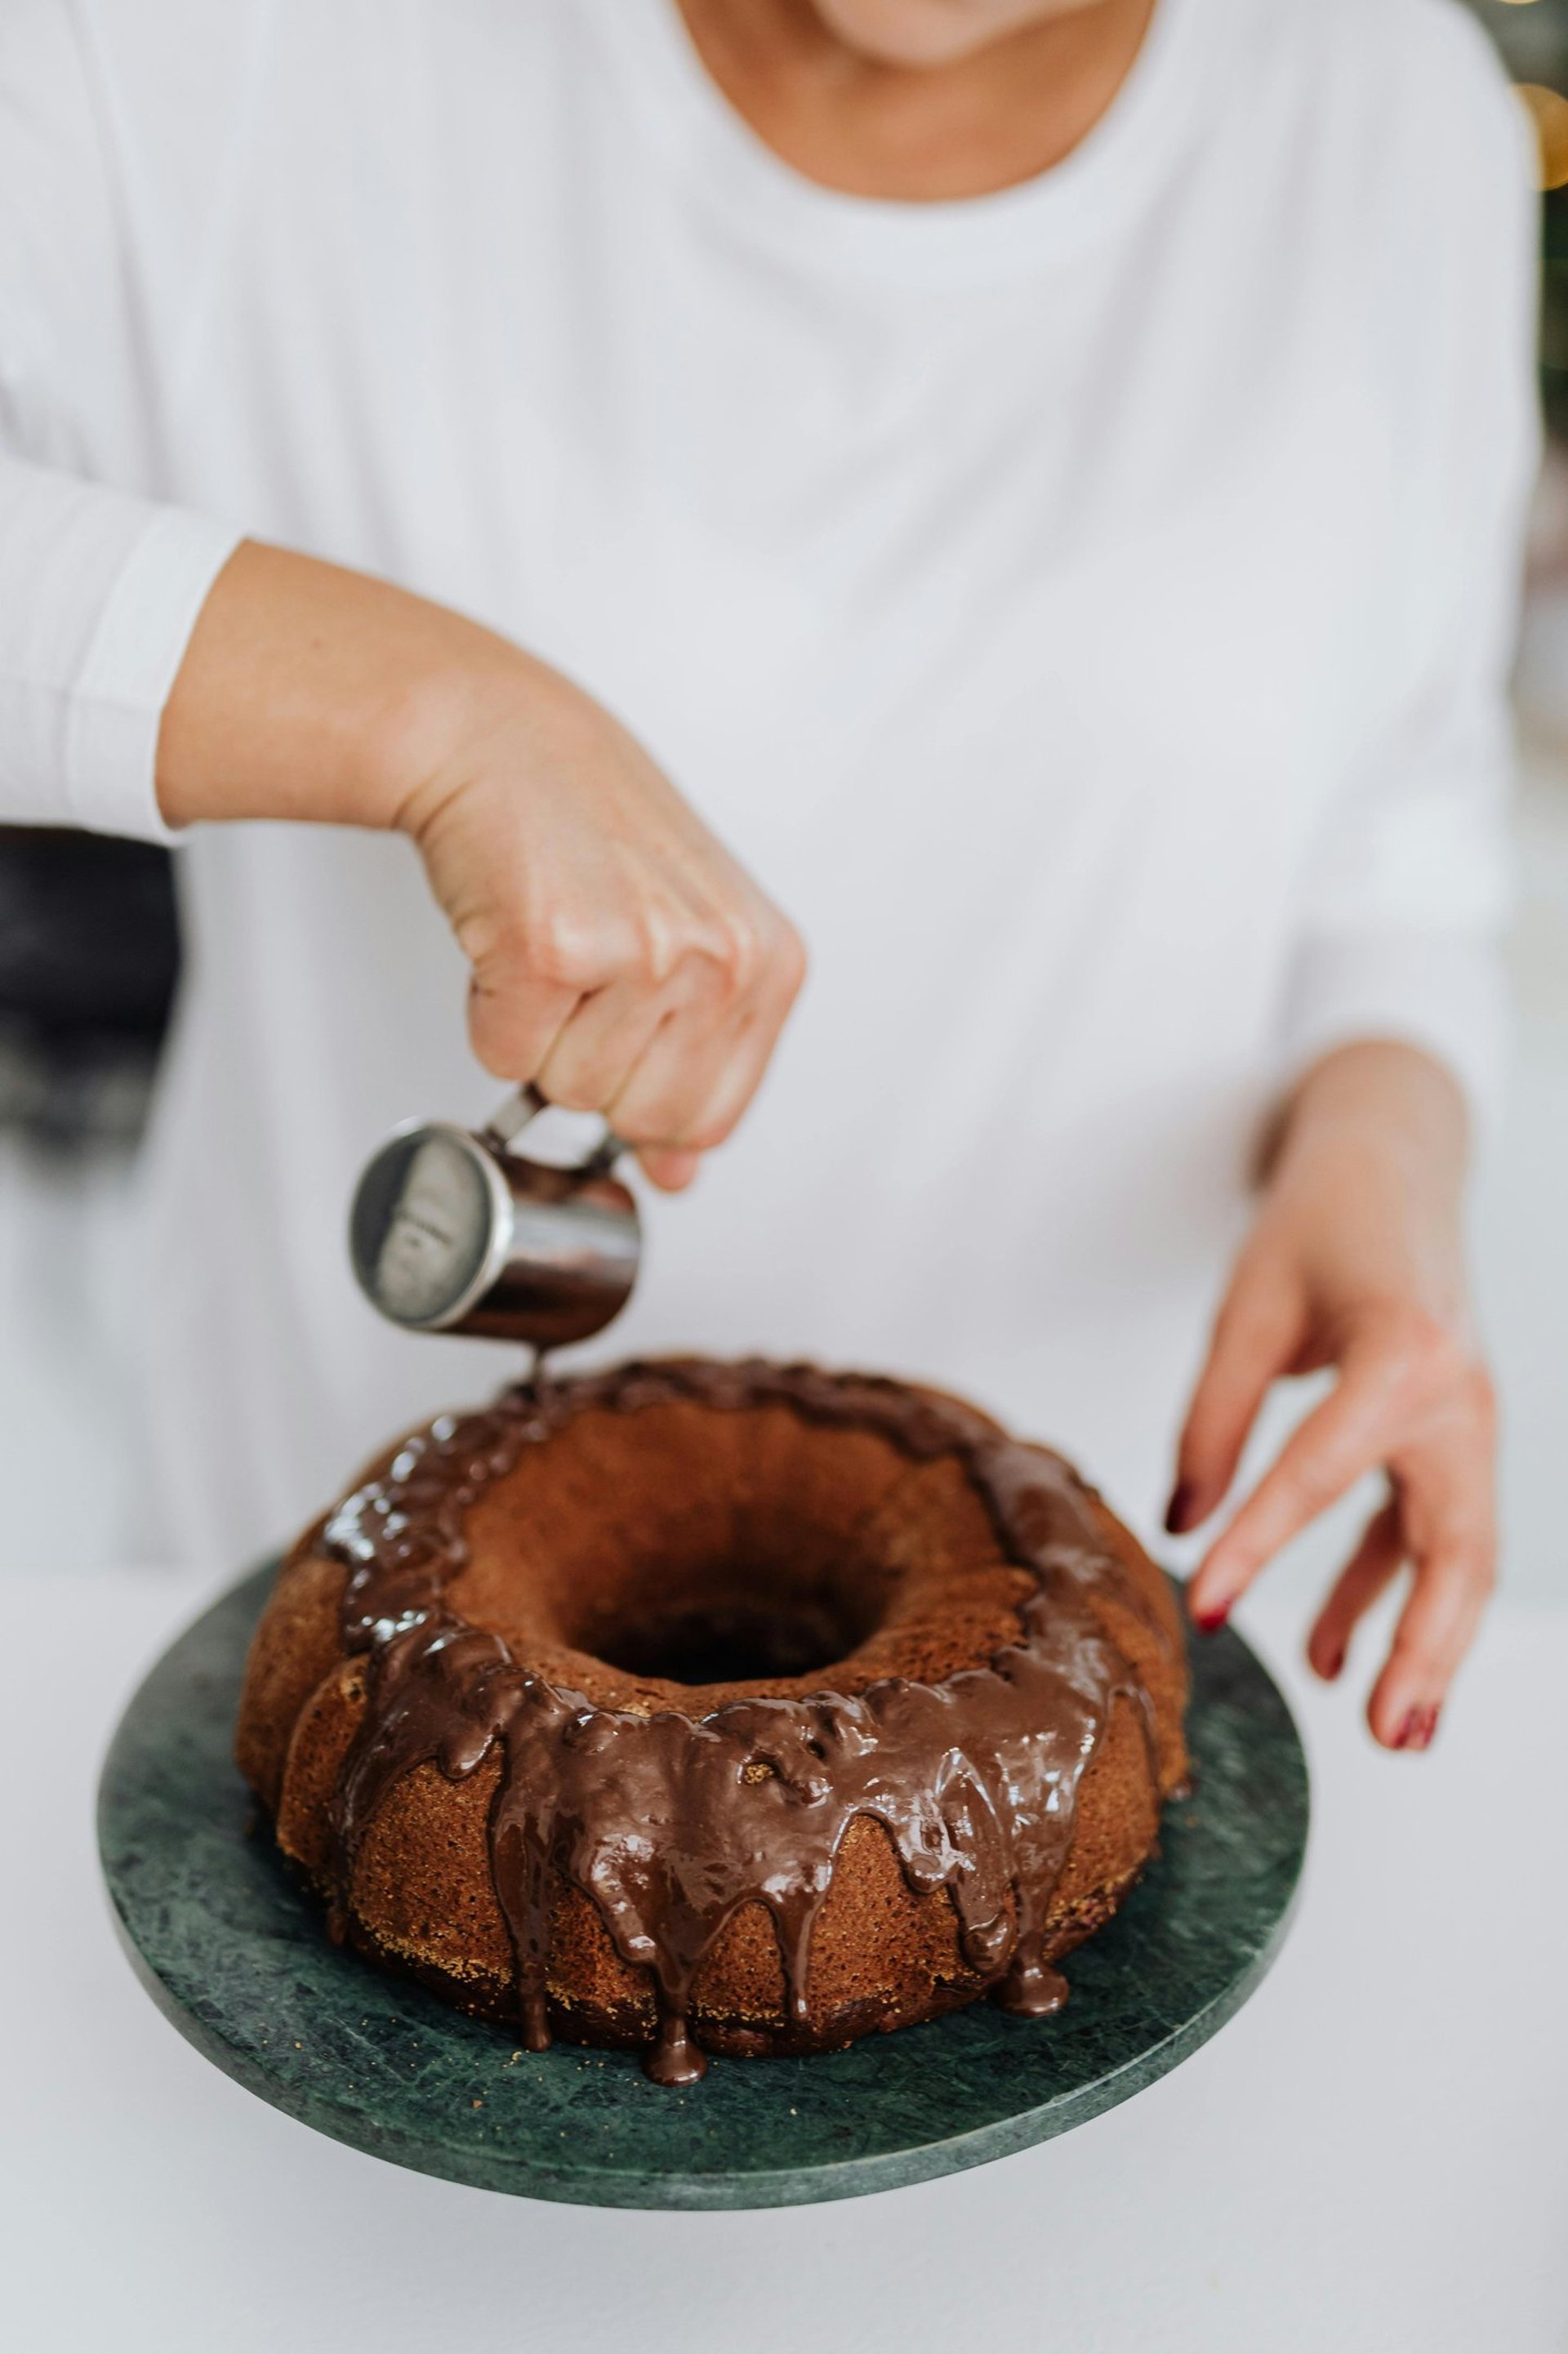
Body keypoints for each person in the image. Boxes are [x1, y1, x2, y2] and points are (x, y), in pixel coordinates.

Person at [0, 0, 1537, 1748]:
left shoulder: (1395, 113)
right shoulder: (242, 54)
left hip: (1082, 1684)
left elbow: (1398, 844)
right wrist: (434, 712)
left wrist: (1381, 1141)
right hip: (333, 1673)